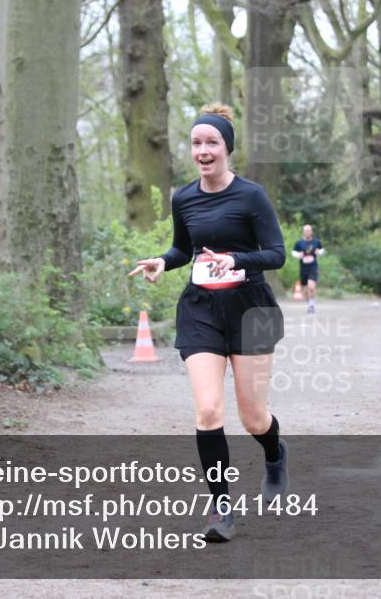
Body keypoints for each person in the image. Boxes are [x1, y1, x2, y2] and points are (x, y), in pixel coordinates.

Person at [128, 103, 287, 544]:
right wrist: (164, 261)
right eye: (196, 143)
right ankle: (221, 509)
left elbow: (277, 254)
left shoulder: (251, 196)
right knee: (209, 410)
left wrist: (235, 260)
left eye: (212, 142)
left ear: (227, 148)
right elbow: (184, 248)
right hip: (201, 309)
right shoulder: (184, 198)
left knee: (253, 417)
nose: (203, 150)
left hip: (251, 310)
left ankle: (274, 453)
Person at [292, 224, 324, 314]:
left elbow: (322, 250)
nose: (307, 232)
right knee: (305, 290)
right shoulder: (299, 243)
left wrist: (319, 252)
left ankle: (311, 306)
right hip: (303, 268)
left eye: (308, 230)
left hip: (313, 267)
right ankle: (309, 303)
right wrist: (298, 255)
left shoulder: (316, 242)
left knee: (311, 286)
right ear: (303, 232)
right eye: (305, 230)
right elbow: (293, 252)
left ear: (311, 231)